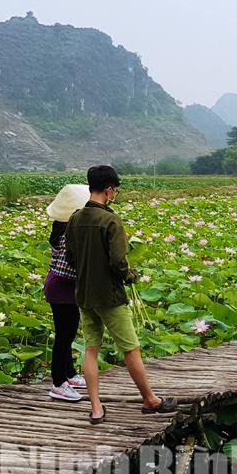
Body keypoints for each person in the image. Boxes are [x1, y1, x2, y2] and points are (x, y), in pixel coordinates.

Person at [65, 165, 177, 424]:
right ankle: (150, 400)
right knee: (130, 348)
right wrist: (129, 275)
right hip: (109, 296)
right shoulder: (110, 220)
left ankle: (96, 408)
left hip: (83, 295)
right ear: (108, 189)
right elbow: (118, 262)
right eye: (114, 189)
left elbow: (70, 257)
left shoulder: (75, 218)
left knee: (90, 349)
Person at [44, 184, 91, 402]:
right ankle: (58, 382)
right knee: (64, 336)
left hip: (60, 287)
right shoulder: (68, 235)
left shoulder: (60, 228)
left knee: (68, 332)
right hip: (62, 288)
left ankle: (70, 374)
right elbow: (68, 269)